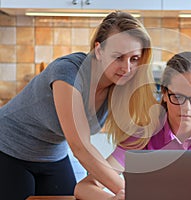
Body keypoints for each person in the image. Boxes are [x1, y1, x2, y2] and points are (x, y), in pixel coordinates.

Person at [0, 10, 160, 199]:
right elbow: (80, 146)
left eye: (134, 59)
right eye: (118, 57)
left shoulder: (120, 86)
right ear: (99, 50)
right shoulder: (68, 72)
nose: (127, 68)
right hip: (8, 147)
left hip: (52, 153)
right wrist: (131, 192)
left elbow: (143, 130)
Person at [75, 51, 191, 200]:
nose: (186, 108)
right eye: (178, 97)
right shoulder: (144, 133)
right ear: (165, 94)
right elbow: (84, 187)